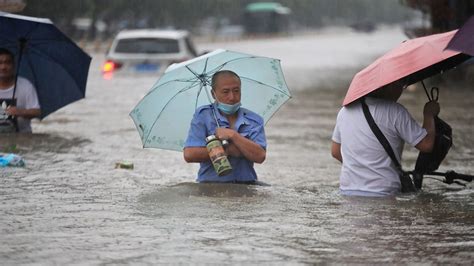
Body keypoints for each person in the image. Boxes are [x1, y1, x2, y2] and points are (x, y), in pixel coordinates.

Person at [331, 83, 440, 196]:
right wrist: (429, 114)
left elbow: (335, 152)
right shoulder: (395, 111)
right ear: (387, 86)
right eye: (400, 85)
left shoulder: (344, 111)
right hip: (383, 192)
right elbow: (426, 145)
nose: (401, 91)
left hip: (347, 191)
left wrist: (362, 166)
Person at [183, 70, 266, 183]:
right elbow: (189, 154)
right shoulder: (203, 115)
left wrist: (233, 135)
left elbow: (260, 156)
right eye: (225, 92)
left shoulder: (254, 120)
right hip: (210, 186)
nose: (232, 97)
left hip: (247, 185)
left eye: (236, 91)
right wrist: (227, 150)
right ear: (213, 94)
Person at [0, 48, 40, 133]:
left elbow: (37, 111)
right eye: (0, 63)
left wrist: (21, 111)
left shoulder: (26, 86)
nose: (3, 67)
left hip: (22, 137)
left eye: (8, 62)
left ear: (14, 65)